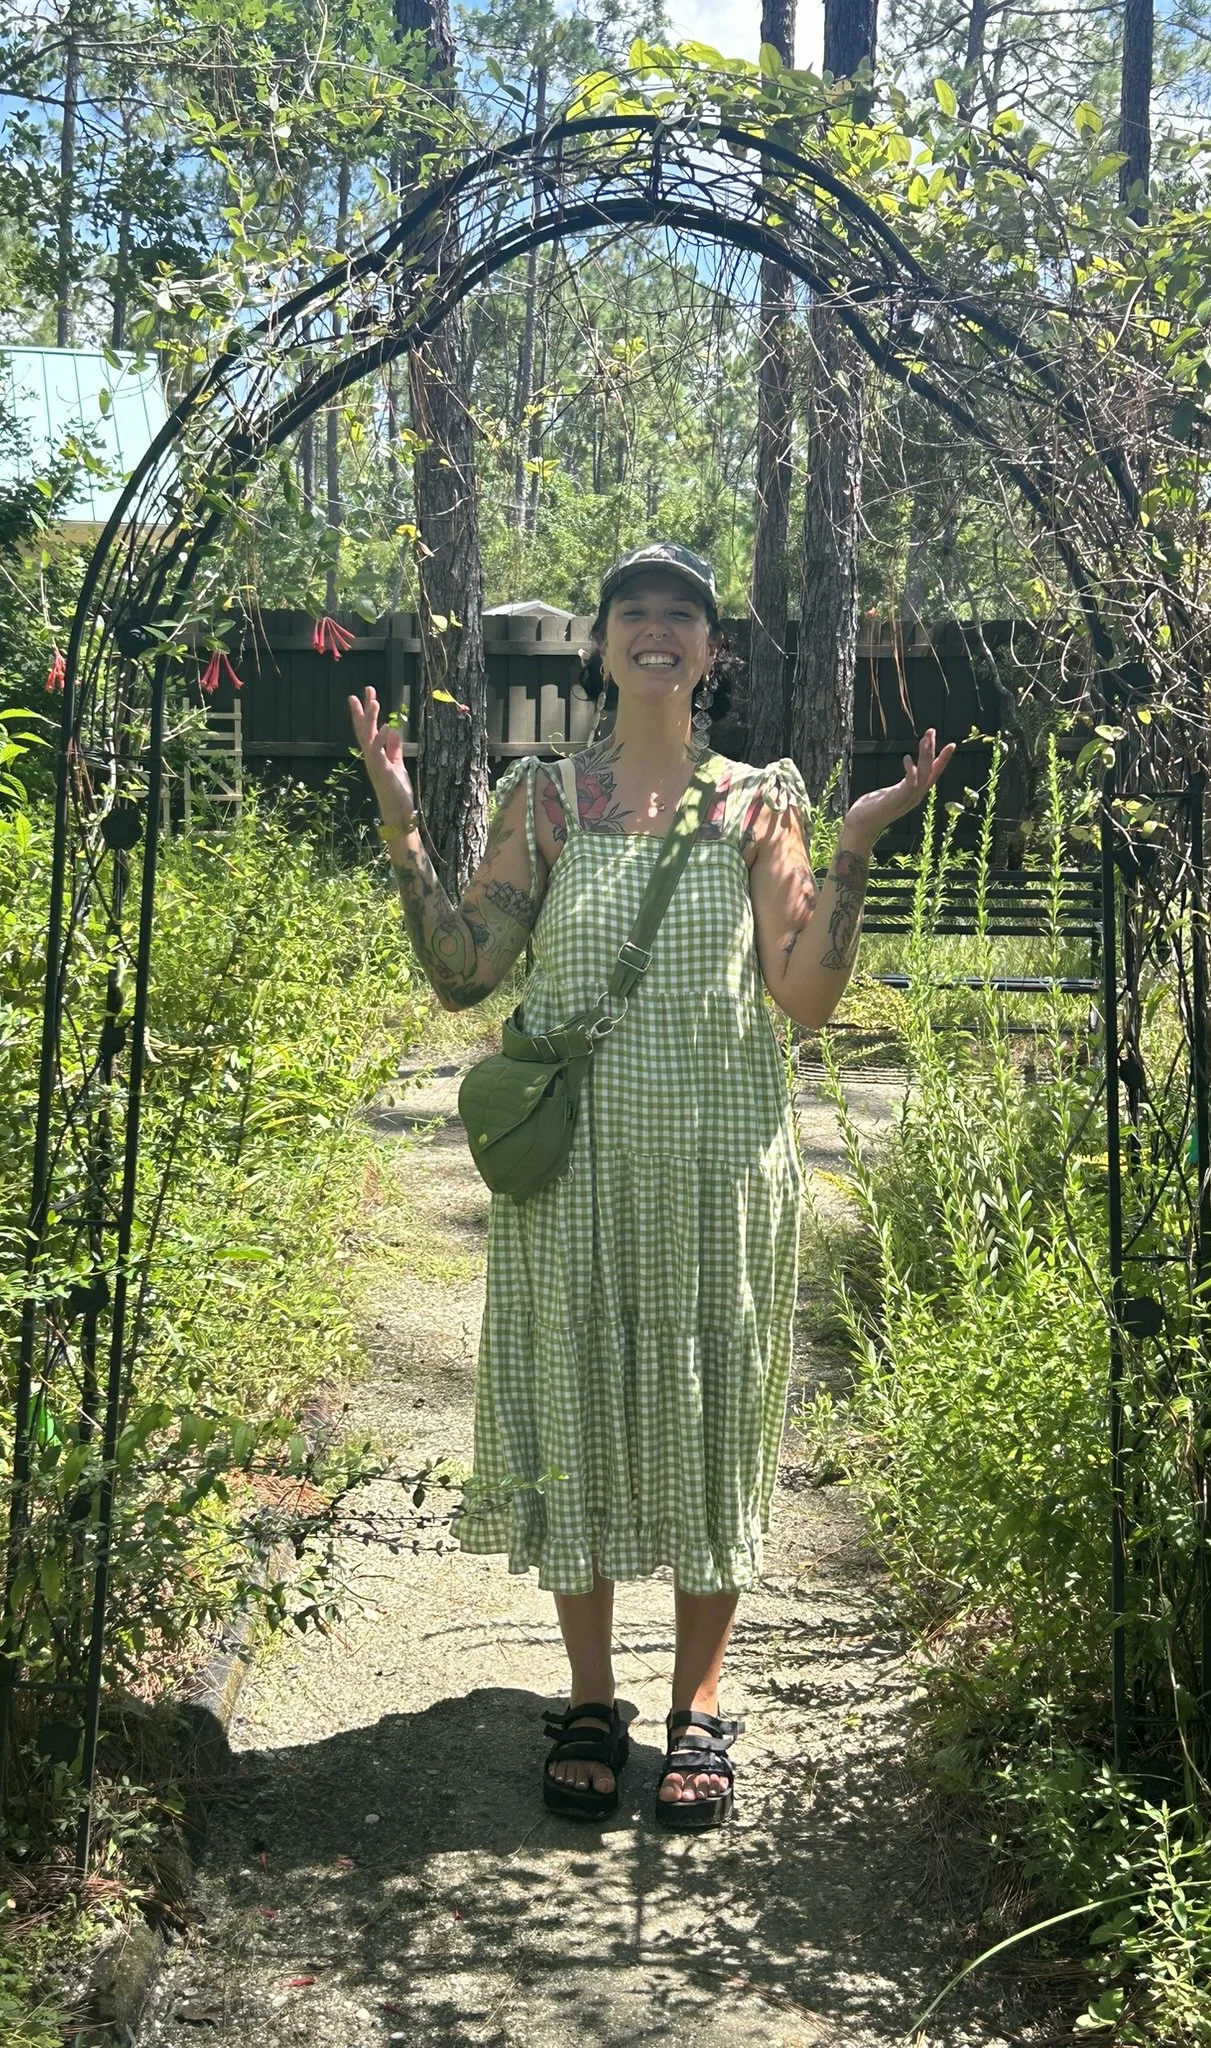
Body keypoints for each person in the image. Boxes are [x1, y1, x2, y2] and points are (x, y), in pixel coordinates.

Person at [349, 541, 952, 1831]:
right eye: (635, 614)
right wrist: (401, 826)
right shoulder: (545, 800)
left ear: (712, 653)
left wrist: (851, 848)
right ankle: (586, 1698)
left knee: (708, 1425)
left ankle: (699, 1705)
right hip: (574, 1182)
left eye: (683, 615)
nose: (659, 631)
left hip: (715, 1178)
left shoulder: (759, 808)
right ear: (603, 644)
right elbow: (464, 970)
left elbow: (805, 996)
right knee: (579, 1413)